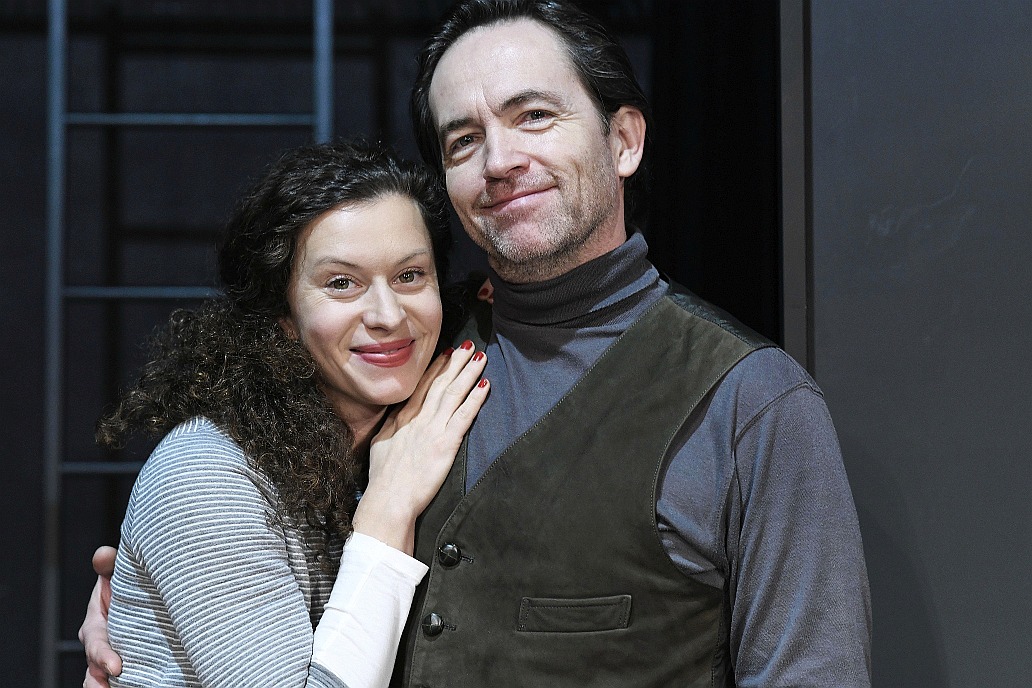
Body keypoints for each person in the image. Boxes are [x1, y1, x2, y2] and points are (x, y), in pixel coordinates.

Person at [84, 1, 872, 686]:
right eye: (464, 140)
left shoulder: (750, 403)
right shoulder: (398, 353)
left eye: (535, 116)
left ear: (624, 140)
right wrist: (142, 618)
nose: (499, 161)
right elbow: (232, 537)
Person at [82, 140, 490, 688]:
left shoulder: (366, 440)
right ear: (284, 316)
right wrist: (388, 511)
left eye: (410, 275)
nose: (389, 314)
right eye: (341, 283)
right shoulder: (207, 476)